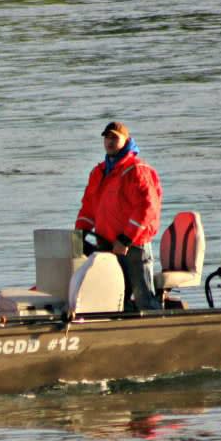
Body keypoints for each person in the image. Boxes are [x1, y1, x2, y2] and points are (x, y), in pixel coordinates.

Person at [74, 121, 163, 311]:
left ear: (126, 140)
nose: (110, 141)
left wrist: (126, 238)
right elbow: (89, 207)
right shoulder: (99, 172)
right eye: (107, 137)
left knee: (143, 297)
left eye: (115, 137)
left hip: (133, 246)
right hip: (106, 244)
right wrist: (79, 233)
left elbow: (147, 207)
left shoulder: (137, 170)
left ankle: (161, 330)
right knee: (114, 298)